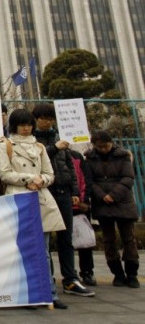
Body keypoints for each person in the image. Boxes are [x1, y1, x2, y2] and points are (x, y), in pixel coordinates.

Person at [0, 108, 68, 309]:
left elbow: (49, 173)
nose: (26, 128)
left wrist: (41, 180)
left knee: (43, 250)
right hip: (18, 197)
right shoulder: (5, 146)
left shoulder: (40, 147)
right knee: (22, 248)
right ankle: (27, 292)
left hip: (41, 198)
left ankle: (49, 292)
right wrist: (28, 180)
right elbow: (5, 174)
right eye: (22, 125)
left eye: (29, 124)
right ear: (14, 126)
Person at [32, 103, 94, 297]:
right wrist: (53, 148)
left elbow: (69, 165)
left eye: (50, 118)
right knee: (45, 238)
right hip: (45, 191)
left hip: (63, 191)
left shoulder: (60, 135)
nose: (47, 122)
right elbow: (35, 160)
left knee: (66, 237)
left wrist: (74, 190)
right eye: (43, 118)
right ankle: (47, 278)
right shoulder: (31, 139)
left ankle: (70, 278)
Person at [85, 130, 140, 288]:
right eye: (99, 147)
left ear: (111, 142)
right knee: (109, 240)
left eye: (106, 146)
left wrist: (114, 195)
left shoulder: (123, 155)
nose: (103, 149)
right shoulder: (90, 158)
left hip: (122, 201)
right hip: (102, 201)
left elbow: (128, 178)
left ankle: (132, 273)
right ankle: (117, 273)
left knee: (129, 239)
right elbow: (90, 181)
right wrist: (102, 196)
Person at [70, 148, 96, 286]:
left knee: (84, 241)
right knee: (65, 243)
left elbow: (86, 179)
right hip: (61, 204)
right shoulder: (49, 153)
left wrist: (84, 200)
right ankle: (69, 274)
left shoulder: (76, 156)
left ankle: (87, 272)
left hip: (79, 205)